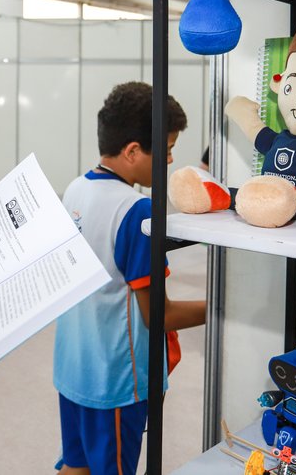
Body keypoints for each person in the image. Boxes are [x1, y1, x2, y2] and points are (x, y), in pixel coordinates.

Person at [53, 83, 206, 475]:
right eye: (167, 149)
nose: (171, 159)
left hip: (73, 370)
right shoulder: (138, 211)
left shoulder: (75, 188)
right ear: (133, 151)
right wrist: (223, 306)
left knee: (76, 466)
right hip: (115, 385)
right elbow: (160, 315)